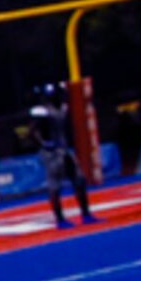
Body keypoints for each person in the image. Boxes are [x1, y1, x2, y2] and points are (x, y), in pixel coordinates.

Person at [28, 83, 98, 228]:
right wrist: (45, 144)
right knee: (55, 184)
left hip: (64, 148)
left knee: (79, 179)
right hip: (51, 152)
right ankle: (59, 218)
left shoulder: (62, 107)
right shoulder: (42, 111)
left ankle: (85, 213)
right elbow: (32, 131)